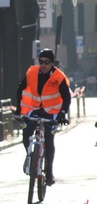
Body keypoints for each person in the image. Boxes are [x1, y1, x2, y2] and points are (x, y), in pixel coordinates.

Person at [14, 48, 71, 186]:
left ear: (52, 63)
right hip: (34, 110)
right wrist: (18, 109)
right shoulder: (32, 72)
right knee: (26, 133)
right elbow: (20, 88)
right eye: (41, 62)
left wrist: (63, 113)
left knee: (49, 140)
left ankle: (49, 171)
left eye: (47, 62)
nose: (43, 65)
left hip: (52, 112)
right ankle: (31, 157)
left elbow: (66, 97)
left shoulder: (59, 77)